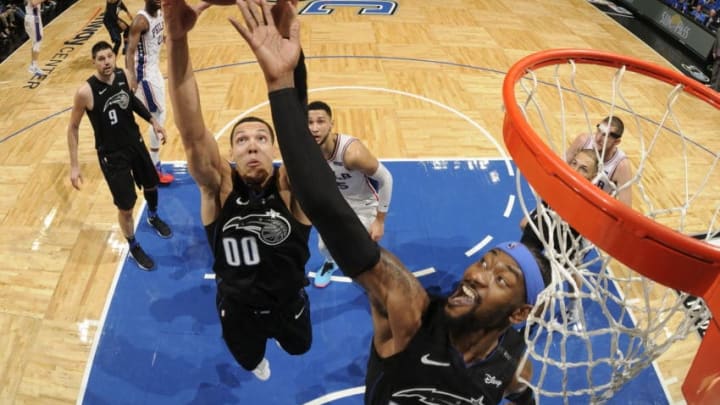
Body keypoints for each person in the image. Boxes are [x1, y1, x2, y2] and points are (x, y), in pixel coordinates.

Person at [225, 0, 552, 403]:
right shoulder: (410, 310)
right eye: (485, 262)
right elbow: (327, 209)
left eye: (501, 279)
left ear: (519, 314)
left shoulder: (514, 363)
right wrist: (283, 83)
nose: (477, 275)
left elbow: (522, 395)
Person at [163, 0, 312, 382]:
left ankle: (280, 340)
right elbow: (191, 131)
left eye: (262, 138)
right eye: (242, 139)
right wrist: (177, 41)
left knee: (300, 346)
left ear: (277, 149)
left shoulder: (291, 187)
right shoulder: (219, 187)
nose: (251, 145)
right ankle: (258, 360)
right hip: (238, 308)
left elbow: (297, 121)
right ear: (229, 154)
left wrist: (284, 32)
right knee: (248, 361)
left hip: (288, 303)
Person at [67, 40, 173, 271]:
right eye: (101, 59)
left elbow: (131, 100)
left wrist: (153, 121)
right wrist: (74, 166)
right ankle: (133, 246)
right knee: (126, 207)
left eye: (109, 57)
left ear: (114, 57)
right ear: (93, 62)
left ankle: (153, 216)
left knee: (151, 186)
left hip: (135, 143)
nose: (106, 62)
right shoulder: (85, 92)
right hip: (113, 156)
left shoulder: (123, 75)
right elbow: (73, 128)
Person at [307, 100, 393, 288]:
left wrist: (380, 221)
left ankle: (377, 272)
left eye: (320, 121)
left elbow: (386, 179)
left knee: (360, 247)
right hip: (334, 203)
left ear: (331, 123)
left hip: (363, 204)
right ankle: (331, 262)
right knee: (323, 247)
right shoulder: (306, 150)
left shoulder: (351, 153)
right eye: (309, 122)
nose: (314, 128)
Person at [520, 149, 599, 328]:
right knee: (521, 258)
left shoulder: (591, 201)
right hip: (548, 222)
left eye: (584, 169)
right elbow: (545, 202)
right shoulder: (558, 179)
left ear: (593, 176)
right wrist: (532, 216)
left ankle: (570, 308)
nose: (575, 170)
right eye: (574, 163)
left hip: (569, 240)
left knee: (556, 281)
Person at [126, 0, 174, 184]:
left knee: (160, 114)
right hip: (144, 75)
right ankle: (154, 167)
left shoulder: (160, 13)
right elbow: (129, 51)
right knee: (157, 115)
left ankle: (150, 163)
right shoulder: (140, 21)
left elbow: (157, 36)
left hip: (154, 70)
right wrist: (131, 76)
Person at [565, 115, 632, 207]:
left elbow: (626, 207)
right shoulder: (583, 141)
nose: (598, 138)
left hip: (593, 209)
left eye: (605, 135)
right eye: (599, 131)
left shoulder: (621, 165)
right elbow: (561, 165)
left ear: (616, 142)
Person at [24, 0, 45, 76]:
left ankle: (33, 65)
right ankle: (33, 66)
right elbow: (34, 3)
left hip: (29, 17)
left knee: (34, 42)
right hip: (33, 18)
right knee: (38, 41)